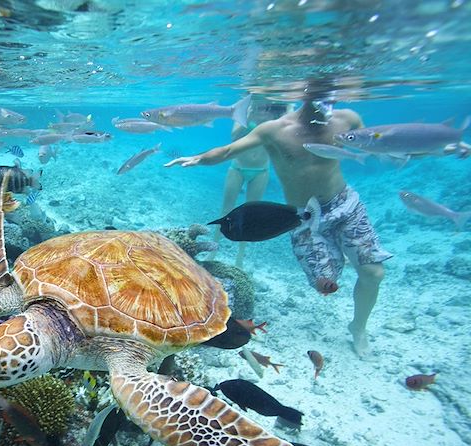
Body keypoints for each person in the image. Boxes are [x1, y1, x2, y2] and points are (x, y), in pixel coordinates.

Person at [165, 89, 392, 357]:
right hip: (302, 216)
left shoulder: (348, 119)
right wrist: (200, 158)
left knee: (373, 273)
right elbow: (229, 150)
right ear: (301, 94)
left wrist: (411, 148)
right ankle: (332, 270)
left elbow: (370, 142)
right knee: (324, 283)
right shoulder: (274, 129)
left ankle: (358, 327)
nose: (325, 99)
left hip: (345, 204)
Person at [209, 99, 290, 267]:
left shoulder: (276, 117)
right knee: (226, 210)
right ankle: (212, 251)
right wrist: (250, 115)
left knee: (251, 214)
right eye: (258, 104)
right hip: (237, 168)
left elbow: (288, 123)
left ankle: (240, 259)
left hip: (261, 171)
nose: (262, 108)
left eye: (265, 105)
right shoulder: (243, 113)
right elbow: (234, 137)